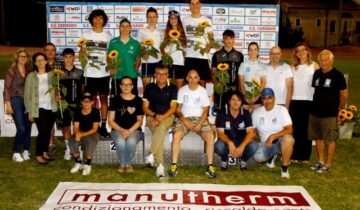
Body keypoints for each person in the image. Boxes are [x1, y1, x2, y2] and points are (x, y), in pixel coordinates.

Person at [169, 70, 216, 178]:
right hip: (185, 118)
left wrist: (200, 124)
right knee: (176, 135)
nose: (193, 80)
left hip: (200, 118)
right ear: (186, 78)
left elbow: (205, 110)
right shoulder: (181, 90)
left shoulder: (203, 91)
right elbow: (178, 109)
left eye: (195, 77)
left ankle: (210, 166)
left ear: (199, 79)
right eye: (190, 77)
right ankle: (174, 166)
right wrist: (185, 121)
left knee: (210, 136)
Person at [308, 50, 348, 173]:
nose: (324, 62)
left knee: (330, 139)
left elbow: (344, 95)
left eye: (326, 60)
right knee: (318, 138)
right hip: (315, 112)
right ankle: (320, 161)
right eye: (321, 60)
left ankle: (328, 164)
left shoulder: (338, 75)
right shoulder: (317, 73)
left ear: (331, 61)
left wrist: (338, 108)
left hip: (329, 114)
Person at [79, 9, 112, 137]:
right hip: (89, 73)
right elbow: (82, 53)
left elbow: (109, 55)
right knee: (89, 100)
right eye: (95, 18)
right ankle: (91, 125)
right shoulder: (85, 34)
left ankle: (103, 126)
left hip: (104, 73)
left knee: (104, 99)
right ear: (91, 20)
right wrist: (83, 56)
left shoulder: (108, 36)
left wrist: (111, 66)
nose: (98, 21)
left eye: (100, 18)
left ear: (104, 20)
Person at [143, 64, 177, 177]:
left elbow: (173, 108)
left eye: (164, 74)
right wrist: (156, 116)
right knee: (160, 130)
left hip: (168, 117)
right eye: (158, 74)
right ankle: (160, 165)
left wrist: (161, 117)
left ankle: (152, 155)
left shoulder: (172, 87)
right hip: (151, 118)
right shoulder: (149, 87)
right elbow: (145, 107)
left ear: (168, 75)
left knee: (161, 127)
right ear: (155, 75)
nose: (161, 76)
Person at [252, 88, 294, 179]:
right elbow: (252, 131)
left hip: (280, 141)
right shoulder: (256, 112)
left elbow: (289, 129)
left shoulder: (282, 110)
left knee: (288, 139)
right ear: (261, 100)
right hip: (265, 144)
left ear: (274, 98)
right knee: (257, 157)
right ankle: (271, 156)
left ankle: (284, 168)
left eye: (269, 98)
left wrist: (273, 136)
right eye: (264, 98)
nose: (267, 101)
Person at [24, 52, 58, 165]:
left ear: (46, 61)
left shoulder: (52, 75)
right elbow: (27, 94)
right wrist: (29, 111)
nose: (40, 62)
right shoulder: (31, 76)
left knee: (48, 132)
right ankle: (38, 155)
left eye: (42, 59)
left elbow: (57, 89)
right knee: (43, 131)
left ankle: (44, 153)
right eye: (38, 60)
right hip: (38, 108)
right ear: (35, 63)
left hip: (51, 107)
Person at [289, 42, 320, 163]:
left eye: (303, 50)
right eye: (298, 51)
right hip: (295, 101)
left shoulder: (314, 66)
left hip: (308, 101)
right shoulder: (292, 67)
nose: (301, 53)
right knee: (295, 129)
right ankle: (295, 155)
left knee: (306, 129)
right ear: (295, 53)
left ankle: (305, 156)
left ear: (307, 51)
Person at [108, 77, 144, 173]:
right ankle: (123, 163)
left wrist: (129, 131)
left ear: (132, 86)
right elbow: (110, 121)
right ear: (120, 86)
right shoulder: (114, 100)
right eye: (124, 84)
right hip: (117, 130)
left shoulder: (138, 100)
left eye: (129, 84)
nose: (126, 86)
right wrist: (121, 130)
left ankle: (127, 164)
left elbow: (139, 120)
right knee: (120, 142)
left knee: (131, 142)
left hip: (135, 130)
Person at [214, 91, 257, 171]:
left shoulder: (246, 113)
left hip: (241, 141)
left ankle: (243, 160)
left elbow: (250, 132)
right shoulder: (222, 113)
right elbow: (220, 133)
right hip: (227, 141)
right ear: (229, 101)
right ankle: (224, 160)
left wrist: (242, 145)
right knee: (218, 146)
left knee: (253, 146)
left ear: (241, 102)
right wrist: (230, 143)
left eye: (238, 100)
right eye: (233, 100)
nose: (236, 102)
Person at [3, 48, 32, 162]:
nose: (23, 58)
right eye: (21, 56)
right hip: (15, 100)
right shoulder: (12, 70)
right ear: (17, 57)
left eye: (25, 56)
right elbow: (6, 88)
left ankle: (25, 150)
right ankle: (15, 152)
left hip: (28, 101)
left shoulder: (29, 70)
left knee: (28, 127)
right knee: (21, 127)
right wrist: (8, 104)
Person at [57, 48, 83, 160]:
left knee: (77, 128)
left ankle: (78, 149)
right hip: (64, 105)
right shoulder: (58, 73)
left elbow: (83, 88)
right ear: (63, 58)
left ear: (74, 58)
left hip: (77, 104)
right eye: (66, 57)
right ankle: (68, 149)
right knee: (66, 128)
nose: (68, 59)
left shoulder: (80, 72)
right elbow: (55, 88)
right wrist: (56, 95)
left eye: (70, 57)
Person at [182, 0, 214, 87]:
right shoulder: (184, 20)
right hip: (189, 56)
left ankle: (202, 100)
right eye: (192, 3)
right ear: (189, 6)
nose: (194, 5)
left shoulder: (206, 20)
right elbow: (182, 38)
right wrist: (183, 50)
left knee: (202, 82)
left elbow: (211, 38)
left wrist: (208, 47)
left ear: (200, 5)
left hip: (202, 56)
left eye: (197, 3)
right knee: (187, 82)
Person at [211, 29, 243, 113]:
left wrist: (240, 88)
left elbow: (241, 74)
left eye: (230, 38)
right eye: (226, 38)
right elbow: (213, 72)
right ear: (223, 40)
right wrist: (216, 83)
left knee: (234, 111)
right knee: (219, 112)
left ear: (234, 40)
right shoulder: (216, 55)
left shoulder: (239, 56)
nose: (228, 41)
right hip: (220, 88)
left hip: (234, 88)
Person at [107, 18, 141, 96]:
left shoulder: (135, 43)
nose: (125, 28)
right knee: (116, 99)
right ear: (119, 28)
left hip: (131, 75)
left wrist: (134, 71)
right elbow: (108, 58)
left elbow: (138, 60)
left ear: (130, 28)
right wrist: (111, 68)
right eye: (122, 26)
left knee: (132, 100)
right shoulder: (113, 42)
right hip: (117, 75)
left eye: (127, 26)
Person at [69, 92, 100, 176]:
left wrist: (81, 135)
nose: (87, 103)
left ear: (92, 102)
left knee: (91, 140)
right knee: (72, 139)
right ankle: (78, 162)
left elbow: (94, 129)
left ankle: (87, 164)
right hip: (81, 132)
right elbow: (75, 127)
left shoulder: (96, 112)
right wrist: (77, 133)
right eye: (85, 101)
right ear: (81, 102)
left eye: (89, 101)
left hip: (93, 133)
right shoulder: (78, 112)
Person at [137, 7, 163, 88]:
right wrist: (142, 54)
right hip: (146, 62)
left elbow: (163, 48)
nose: (152, 19)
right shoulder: (141, 31)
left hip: (158, 62)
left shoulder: (161, 32)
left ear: (157, 18)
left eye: (154, 16)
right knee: (146, 87)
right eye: (149, 17)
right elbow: (138, 47)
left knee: (158, 87)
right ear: (146, 18)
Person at [161, 10, 187, 89]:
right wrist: (165, 55)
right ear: (169, 20)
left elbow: (185, 49)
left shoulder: (183, 32)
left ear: (178, 19)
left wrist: (184, 55)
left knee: (179, 86)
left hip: (180, 63)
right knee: (167, 86)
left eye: (175, 18)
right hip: (169, 63)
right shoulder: (165, 33)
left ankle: (178, 101)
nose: (173, 20)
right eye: (171, 18)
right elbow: (161, 47)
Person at [44, 42, 62, 153]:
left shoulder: (60, 64)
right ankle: (50, 143)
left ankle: (67, 144)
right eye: (47, 50)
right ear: (44, 51)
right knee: (48, 123)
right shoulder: (40, 64)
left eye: (52, 50)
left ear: (55, 52)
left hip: (59, 97)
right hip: (46, 97)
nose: (50, 52)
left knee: (61, 122)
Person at [238, 42, 266, 111]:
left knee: (256, 119)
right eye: (251, 49)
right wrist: (246, 96)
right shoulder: (243, 65)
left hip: (257, 97)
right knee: (245, 119)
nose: (253, 51)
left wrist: (257, 96)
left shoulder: (262, 65)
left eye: (255, 49)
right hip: (245, 97)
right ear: (248, 52)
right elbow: (241, 82)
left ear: (258, 51)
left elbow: (263, 82)